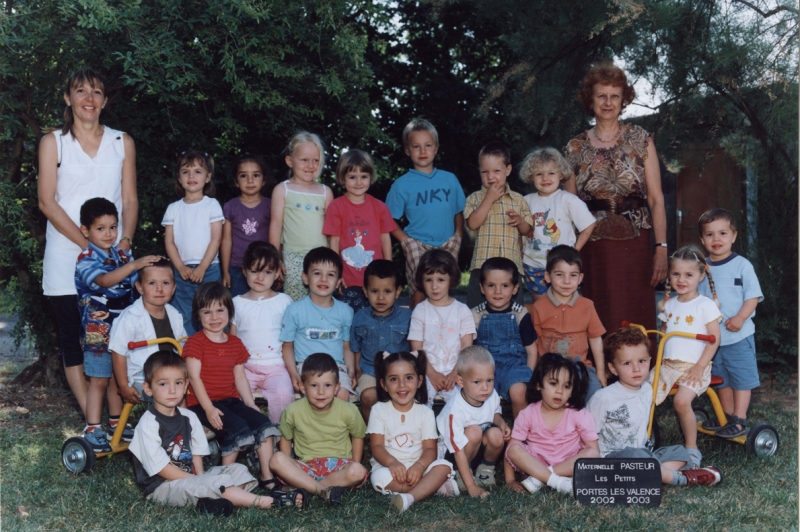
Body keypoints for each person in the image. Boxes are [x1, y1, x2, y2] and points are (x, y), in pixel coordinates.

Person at [38, 67, 138, 419]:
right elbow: (46, 201)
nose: (89, 99)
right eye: (81, 91)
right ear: (68, 98)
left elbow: (128, 200)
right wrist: (84, 239)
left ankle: (117, 417)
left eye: (96, 92)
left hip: (112, 256)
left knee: (110, 337)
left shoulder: (121, 141)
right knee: (73, 339)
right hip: (66, 254)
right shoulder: (53, 142)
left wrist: (123, 240)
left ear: (105, 101)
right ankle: (92, 420)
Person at [129, 351, 303, 514]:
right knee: (212, 483)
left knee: (238, 470)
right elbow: (163, 469)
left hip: (191, 478)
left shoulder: (188, 416)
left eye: (178, 383)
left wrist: (201, 476)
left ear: (186, 386)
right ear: (148, 388)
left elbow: (196, 452)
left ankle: (211, 503)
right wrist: (198, 480)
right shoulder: (147, 424)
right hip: (163, 486)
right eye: (163, 384)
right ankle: (269, 502)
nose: (172, 390)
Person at [564, 62, 668, 334]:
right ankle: (601, 374)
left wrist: (662, 247)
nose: (608, 102)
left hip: (635, 241)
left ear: (624, 100)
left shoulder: (641, 139)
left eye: (614, 96)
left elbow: (656, 199)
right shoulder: (574, 146)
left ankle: (639, 375)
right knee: (600, 315)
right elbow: (567, 207)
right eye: (601, 95)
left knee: (635, 313)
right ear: (591, 99)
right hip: (592, 245)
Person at [588, 327, 723, 487]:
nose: (636, 368)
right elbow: (587, 435)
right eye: (627, 363)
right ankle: (684, 479)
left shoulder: (647, 389)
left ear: (649, 360)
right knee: (638, 457)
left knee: (679, 452)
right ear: (613, 368)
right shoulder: (603, 397)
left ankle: (653, 474)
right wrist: (594, 465)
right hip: (612, 460)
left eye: (642, 361)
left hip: (643, 455)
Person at [74, 198, 159, 452]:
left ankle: (115, 423)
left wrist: (154, 275)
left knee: (115, 379)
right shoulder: (86, 258)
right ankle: (92, 427)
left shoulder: (122, 254)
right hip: (97, 332)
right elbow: (103, 281)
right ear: (86, 231)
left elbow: (137, 283)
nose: (109, 234)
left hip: (123, 331)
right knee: (99, 379)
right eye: (101, 228)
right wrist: (133, 264)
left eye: (113, 227)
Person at [182, 282, 280, 491]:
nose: (215, 317)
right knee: (238, 431)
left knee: (264, 425)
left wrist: (250, 403)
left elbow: (240, 376)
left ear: (230, 312)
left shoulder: (235, 343)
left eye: (220, 310)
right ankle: (225, 482)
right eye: (207, 312)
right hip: (202, 404)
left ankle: (267, 476)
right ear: (198, 316)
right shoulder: (195, 343)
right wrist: (209, 409)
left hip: (230, 401)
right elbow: (194, 378)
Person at [269, 353, 369, 506]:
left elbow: (357, 437)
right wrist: (289, 465)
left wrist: (354, 462)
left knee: (357, 471)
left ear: (337, 388)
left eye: (327, 385)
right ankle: (323, 491)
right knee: (276, 460)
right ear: (302, 387)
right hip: (307, 467)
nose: (321, 392)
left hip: (339, 467)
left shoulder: (349, 410)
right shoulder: (292, 411)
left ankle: (303, 488)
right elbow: (286, 440)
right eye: (314, 385)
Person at [386, 118, 466, 309]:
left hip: (447, 243)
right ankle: (417, 335)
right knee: (419, 293)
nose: (422, 151)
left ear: (436, 147)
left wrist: (458, 235)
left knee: (442, 291)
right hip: (418, 245)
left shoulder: (449, 179)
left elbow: (458, 211)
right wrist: (406, 241)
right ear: (407, 150)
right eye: (416, 146)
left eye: (428, 145)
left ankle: (444, 333)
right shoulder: (402, 184)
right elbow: (388, 218)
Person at [698, 209, 764, 438]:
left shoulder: (742, 265)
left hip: (738, 336)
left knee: (740, 378)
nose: (716, 239)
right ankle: (725, 416)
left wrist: (740, 317)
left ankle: (740, 418)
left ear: (733, 236)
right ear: (702, 239)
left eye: (723, 233)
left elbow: (753, 296)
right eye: (710, 234)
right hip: (713, 340)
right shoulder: (701, 269)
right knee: (720, 379)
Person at [654, 245, 721, 468]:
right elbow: (663, 335)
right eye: (676, 274)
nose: (681, 280)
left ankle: (692, 447)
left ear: (701, 275)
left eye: (689, 275)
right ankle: (642, 438)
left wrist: (699, 367)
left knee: (681, 402)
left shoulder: (705, 305)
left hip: (695, 366)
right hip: (668, 365)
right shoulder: (668, 304)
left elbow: (714, 339)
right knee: (641, 393)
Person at [367, 351, 458, 512]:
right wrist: (392, 463)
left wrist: (419, 466)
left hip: (420, 467)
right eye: (394, 379)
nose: (402, 385)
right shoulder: (378, 410)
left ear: (419, 381)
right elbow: (377, 447)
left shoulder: (425, 412)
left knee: (444, 466)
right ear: (383, 384)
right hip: (389, 467)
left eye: (409, 378)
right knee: (377, 477)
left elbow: (430, 449)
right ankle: (429, 488)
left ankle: (408, 497)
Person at [505, 353, 600, 495]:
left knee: (592, 454)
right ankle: (559, 482)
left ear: (572, 391)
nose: (559, 391)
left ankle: (541, 478)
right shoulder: (528, 414)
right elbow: (511, 451)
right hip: (535, 464)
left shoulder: (579, 414)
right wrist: (510, 480)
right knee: (513, 449)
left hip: (568, 464)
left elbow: (594, 451)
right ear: (538, 385)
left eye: (566, 386)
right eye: (553, 383)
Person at [280, 247, 357, 402]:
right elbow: (287, 346)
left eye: (330, 275)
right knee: (314, 394)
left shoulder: (345, 311)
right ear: (305, 278)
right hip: (306, 367)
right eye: (317, 273)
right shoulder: (295, 310)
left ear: (338, 282)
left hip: (337, 367)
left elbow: (346, 346)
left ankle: (336, 427)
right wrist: (294, 373)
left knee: (341, 394)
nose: (323, 279)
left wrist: (350, 371)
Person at [323, 149, 396, 313]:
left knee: (377, 319)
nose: (358, 182)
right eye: (352, 177)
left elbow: (385, 239)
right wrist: (335, 273)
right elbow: (333, 242)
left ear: (371, 177)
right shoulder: (336, 206)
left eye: (364, 176)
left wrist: (389, 269)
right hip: (347, 279)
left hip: (376, 281)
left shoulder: (380, 207)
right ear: (342, 178)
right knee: (349, 321)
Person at [229, 242, 294, 423]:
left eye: (267, 272)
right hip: (245, 368)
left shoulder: (284, 301)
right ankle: (251, 437)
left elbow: (290, 340)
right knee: (235, 397)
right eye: (255, 270)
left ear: (276, 274)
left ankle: (280, 439)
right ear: (244, 271)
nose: (260, 277)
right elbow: (232, 340)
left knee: (283, 395)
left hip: (276, 367)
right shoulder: (236, 303)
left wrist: (293, 371)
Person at [519, 147, 595, 301]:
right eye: (539, 174)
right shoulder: (525, 201)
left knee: (566, 306)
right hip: (534, 265)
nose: (545, 178)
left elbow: (588, 225)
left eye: (551, 173)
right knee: (541, 307)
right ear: (531, 176)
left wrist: (575, 251)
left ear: (560, 175)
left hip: (563, 267)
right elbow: (520, 231)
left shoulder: (568, 200)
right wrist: (520, 251)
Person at [531, 245, 607, 400]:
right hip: (550, 369)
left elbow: (595, 339)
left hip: (580, 367)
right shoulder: (539, 307)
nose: (566, 281)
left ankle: (589, 423)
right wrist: (533, 373)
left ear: (580, 278)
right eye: (559, 274)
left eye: (573, 275)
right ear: (547, 276)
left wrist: (600, 371)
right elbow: (533, 343)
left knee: (596, 395)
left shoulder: (587, 305)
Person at [463, 141, 533, 308]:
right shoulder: (474, 198)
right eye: (485, 172)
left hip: (511, 268)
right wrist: (489, 198)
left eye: (496, 171)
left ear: (507, 170)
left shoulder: (518, 199)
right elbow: (472, 224)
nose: (490, 177)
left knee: (513, 313)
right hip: (482, 266)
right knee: (477, 312)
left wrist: (520, 222)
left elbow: (528, 230)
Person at [436, 346, 511, 498]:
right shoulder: (455, 410)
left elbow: (494, 413)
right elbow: (457, 450)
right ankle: (461, 475)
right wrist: (471, 487)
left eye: (490, 380)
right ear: (461, 382)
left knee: (496, 435)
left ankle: (485, 470)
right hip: (453, 455)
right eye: (477, 382)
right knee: (474, 431)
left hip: (475, 448)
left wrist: (501, 423)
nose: (485, 387)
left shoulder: (490, 395)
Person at [109, 258, 187, 406]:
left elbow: (183, 345)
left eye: (165, 283)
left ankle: (186, 424)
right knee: (170, 394)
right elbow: (118, 353)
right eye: (152, 283)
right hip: (143, 378)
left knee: (186, 388)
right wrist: (124, 386)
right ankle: (170, 424)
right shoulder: (130, 317)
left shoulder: (174, 314)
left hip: (171, 375)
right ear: (140, 288)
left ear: (174, 287)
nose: (159, 289)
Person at [162, 151, 224, 335]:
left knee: (212, 310)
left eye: (197, 171)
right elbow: (169, 242)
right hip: (182, 271)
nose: (191, 176)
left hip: (209, 269)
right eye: (185, 172)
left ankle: (214, 350)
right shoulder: (173, 208)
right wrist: (180, 267)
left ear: (208, 177)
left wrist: (202, 268)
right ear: (179, 178)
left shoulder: (211, 205)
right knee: (183, 313)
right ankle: (186, 352)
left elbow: (216, 239)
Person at [269, 132, 333, 301]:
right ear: (290, 161)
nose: (310, 165)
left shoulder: (325, 192)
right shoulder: (283, 189)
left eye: (316, 160)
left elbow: (332, 230)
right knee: (295, 304)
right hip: (292, 258)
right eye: (304, 160)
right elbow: (276, 225)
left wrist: (334, 260)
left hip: (322, 259)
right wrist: (275, 260)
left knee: (321, 301)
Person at [408, 249, 475, 407]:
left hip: (457, 371)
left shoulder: (462, 310)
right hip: (426, 371)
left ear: (451, 280)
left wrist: (455, 372)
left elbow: (467, 347)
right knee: (420, 406)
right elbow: (417, 349)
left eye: (440, 279)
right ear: (421, 281)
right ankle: (423, 431)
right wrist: (431, 374)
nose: (434, 286)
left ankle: (455, 431)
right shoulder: (420, 310)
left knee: (461, 406)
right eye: (428, 280)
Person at [471, 257, 536, 418]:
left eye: (505, 286)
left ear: (515, 288)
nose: (498, 291)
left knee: (519, 391)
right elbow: (469, 351)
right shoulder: (475, 315)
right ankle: (491, 430)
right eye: (491, 285)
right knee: (483, 393)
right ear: (481, 288)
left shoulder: (520, 314)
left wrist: (530, 377)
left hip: (514, 367)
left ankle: (521, 435)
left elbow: (532, 351)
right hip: (485, 368)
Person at [350, 260, 412, 422]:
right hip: (370, 370)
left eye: (387, 291)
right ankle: (373, 435)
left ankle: (400, 434)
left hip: (400, 372)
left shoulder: (407, 317)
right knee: (368, 397)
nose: (381, 297)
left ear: (398, 292)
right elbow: (355, 347)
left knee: (402, 397)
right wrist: (357, 370)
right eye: (375, 291)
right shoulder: (360, 317)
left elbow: (414, 347)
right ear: (365, 291)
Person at [220, 153, 272, 298]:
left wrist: (276, 261)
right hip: (237, 267)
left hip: (265, 267)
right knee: (237, 308)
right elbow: (226, 241)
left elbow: (277, 236)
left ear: (263, 180)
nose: (250, 180)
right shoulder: (231, 206)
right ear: (236, 181)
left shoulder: (271, 205)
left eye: (256, 175)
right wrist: (225, 271)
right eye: (243, 176)